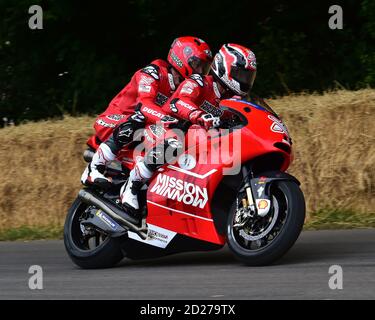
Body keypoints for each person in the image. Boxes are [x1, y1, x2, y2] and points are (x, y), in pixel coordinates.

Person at [120, 43, 257, 215]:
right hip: (165, 128)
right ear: (224, 67)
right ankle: (131, 186)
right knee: (177, 142)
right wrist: (198, 115)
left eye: (248, 76)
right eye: (241, 74)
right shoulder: (198, 81)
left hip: (190, 142)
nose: (244, 80)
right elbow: (179, 102)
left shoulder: (232, 101)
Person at [81, 36, 213, 188]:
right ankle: (94, 167)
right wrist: (165, 118)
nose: (201, 72)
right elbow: (144, 105)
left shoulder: (186, 88)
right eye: (198, 65)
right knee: (139, 119)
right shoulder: (152, 73)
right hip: (114, 122)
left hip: (145, 130)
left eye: (205, 67)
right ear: (181, 59)